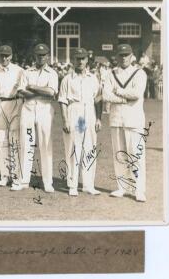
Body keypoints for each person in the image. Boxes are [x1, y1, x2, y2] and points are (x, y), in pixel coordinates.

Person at [102, 44, 147, 202]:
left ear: (132, 56)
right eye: (121, 55)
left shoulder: (139, 73)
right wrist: (122, 99)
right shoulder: (110, 73)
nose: (123, 57)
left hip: (134, 120)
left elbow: (137, 94)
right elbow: (106, 95)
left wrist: (119, 92)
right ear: (117, 56)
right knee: (119, 154)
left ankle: (138, 189)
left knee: (136, 154)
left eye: (126, 55)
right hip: (116, 119)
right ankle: (122, 187)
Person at [13, 43, 58, 193]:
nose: (41, 57)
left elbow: (51, 93)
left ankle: (48, 182)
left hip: (45, 111)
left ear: (47, 56)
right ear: (35, 56)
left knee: (46, 145)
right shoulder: (26, 72)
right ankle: (23, 180)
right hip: (28, 110)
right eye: (39, 55)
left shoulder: (52, 73)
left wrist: (32, 87)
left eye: (44, 55)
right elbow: (21, 92)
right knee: (26, 144)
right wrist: (40, 91)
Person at [58, 48, 103, 196]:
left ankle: (88, 185)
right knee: (73, 147)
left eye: (83, 58)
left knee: (89, 147)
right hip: (75, 112)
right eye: (78, 58)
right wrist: (65, 120)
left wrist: (98, 118)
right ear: (74, 60)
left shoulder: (93, 78)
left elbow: (98, 99)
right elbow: (63, 101)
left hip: (88, 112)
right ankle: (72, 184)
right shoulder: (67, 79)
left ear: (87, 60)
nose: (80, 61)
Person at [0, 45, 24, 187]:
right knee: (1, 140)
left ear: (11, 56)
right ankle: (4, 175)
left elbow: (24, 91)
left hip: (15, 104)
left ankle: (16, 176)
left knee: (15, 141)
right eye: (2, 55)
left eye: (7, 55)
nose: (4, 58)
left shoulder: (19, 71)